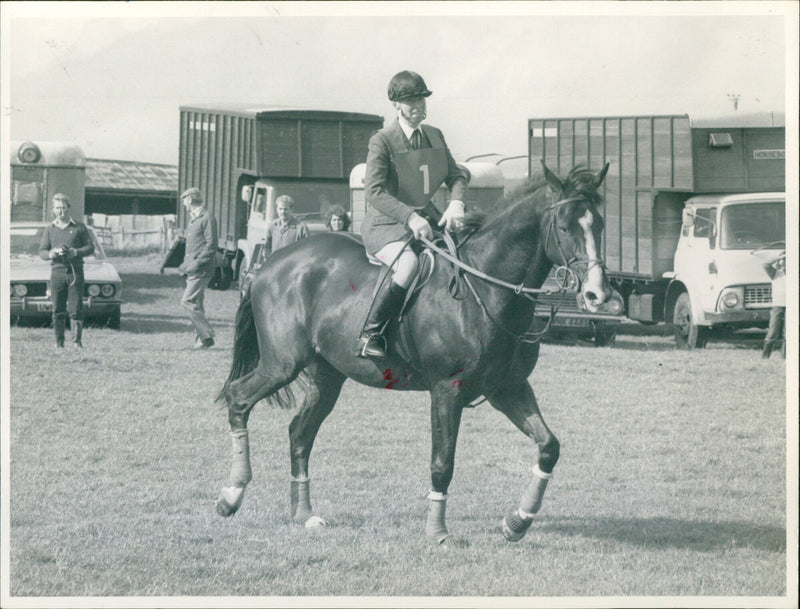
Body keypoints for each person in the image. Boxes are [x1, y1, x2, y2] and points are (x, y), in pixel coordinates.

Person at [357, 70, 469, 359]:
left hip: (427, 221)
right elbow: (375, 191)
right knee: (408, 265)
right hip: (387, 226)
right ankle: (372, 332)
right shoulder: (382, 140)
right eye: (410, 101)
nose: (418, 105)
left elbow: (456, 176)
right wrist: (410, 217)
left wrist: (456, 203)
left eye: (421, 98)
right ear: (396, 104)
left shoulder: (435, 135)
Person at [38, 193, 94, 349]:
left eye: (63, 208)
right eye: (57, 208)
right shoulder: (50, 229)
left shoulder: (79, 227)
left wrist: (75, 252)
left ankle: (76, 342)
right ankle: (59, 344)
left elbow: (90, 247)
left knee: (76, 308)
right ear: (53, 210)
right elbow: (42, 251)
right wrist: (52, 253)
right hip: (57, 272)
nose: (60, 211)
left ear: (69, 208)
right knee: (57, 309)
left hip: (75, 271)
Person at [178, 187, 217, 349]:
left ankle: (207, 333)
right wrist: (187, 265)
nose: (183, 203)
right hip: (193, 269)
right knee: (197, 304)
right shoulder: (193, 218)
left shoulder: (206, 217)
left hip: (201, 269)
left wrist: (198, 262)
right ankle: (201, 341)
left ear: (190, 200)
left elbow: (212, 244)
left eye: (184, 200)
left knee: (186, 301)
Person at [762, 250, 785, 359]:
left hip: (792, 306)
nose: (785, 263)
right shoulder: (775, 273)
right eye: (783, 261)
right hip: (778, 305)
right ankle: (765, 357)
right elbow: (765, 264)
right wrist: (779, 257)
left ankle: (785, 357)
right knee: (773, 331)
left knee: (788, 333)